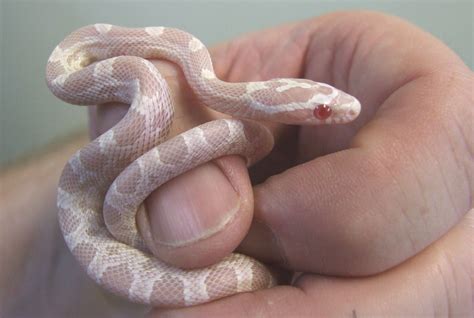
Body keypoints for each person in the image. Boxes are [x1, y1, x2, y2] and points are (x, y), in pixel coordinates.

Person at [2, 11, 472, 317]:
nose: (337, 111)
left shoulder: (210, 87)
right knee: (152, 83)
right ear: (278, 101)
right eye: (323, 110)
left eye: (322, 106)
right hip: (81, 235)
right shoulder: (166, 76)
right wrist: (115, 212)